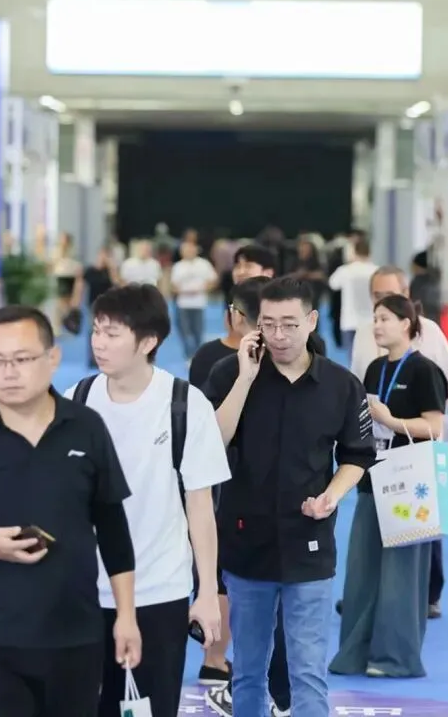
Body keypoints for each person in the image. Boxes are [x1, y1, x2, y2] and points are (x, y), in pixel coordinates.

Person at [0, 305, 141, 717]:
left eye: (22, 359)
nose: (9, 373)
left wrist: (126, 615)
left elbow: (113, 529)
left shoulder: (86, 427)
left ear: (52, 358)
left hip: (76, 634)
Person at [203, 276, 376, 717]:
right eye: (269, 324)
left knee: (308, 673)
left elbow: (357, 455)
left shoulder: (340, 385)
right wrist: (245, 380)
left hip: (309, 544)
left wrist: (331, 496)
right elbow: (210, 444)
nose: (278, 335)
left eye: (289, 324)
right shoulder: (229, 373)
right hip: (246, 543)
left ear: (312, 320)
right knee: (247, 672)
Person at [64, 284, 229, 717]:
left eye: (112, 333)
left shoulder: (185, 404)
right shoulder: (75, 401)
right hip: (83, 591)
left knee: (152, 707)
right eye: (96, 331)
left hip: (160, 590)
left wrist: (207, 591)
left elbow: (201, 507)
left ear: (148, 341)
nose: (98, 343)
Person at [330, 294, 447, 678]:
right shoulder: (374, 368)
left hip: (410, 481)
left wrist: (391, 420)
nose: (376, 326)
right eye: (375, 319)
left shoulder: (425, 370)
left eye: (384, 319)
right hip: (372, 476)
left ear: (406, 324)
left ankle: (394, 657)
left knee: (402, 574)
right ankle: (356, 652)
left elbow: (435, 427)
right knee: (362, 570)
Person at [349, 265, 448, 616]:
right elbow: (357, 389)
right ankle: (373, 594)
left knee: (420, 526)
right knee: (374, 530)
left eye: (389, 297)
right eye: (376, 298)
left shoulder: (429, 334)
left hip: (416, 455)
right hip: (377, 453)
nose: (380, 312)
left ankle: (427, 594)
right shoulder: (366, 336)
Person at [200, 276, 293, 717]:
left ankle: (282, 698)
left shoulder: (311, 369)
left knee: (287, 615)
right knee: (249, 610)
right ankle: (232, 678)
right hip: (236, 508)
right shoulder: (221, 368)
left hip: (290, 513)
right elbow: (208, 439)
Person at [327, 239, 378, 356]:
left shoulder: (345, 270)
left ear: (353, 252)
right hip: (371, 320)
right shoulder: (376, 271)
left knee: (353, 357)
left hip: (350, 321)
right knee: (371, 355)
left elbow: (333, 284)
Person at [171, 241, 219, 359]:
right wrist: (183, 291)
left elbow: (213, 280)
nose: (188, 252)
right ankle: (188, 355)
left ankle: (198, 355)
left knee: (198, 332)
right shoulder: (178, 266)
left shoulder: (204, 264)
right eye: (185, 250)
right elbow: (173, 286)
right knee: (185, 332)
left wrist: (202, 289)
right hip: (183, 304)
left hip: (199, 303)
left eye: (190, 250)